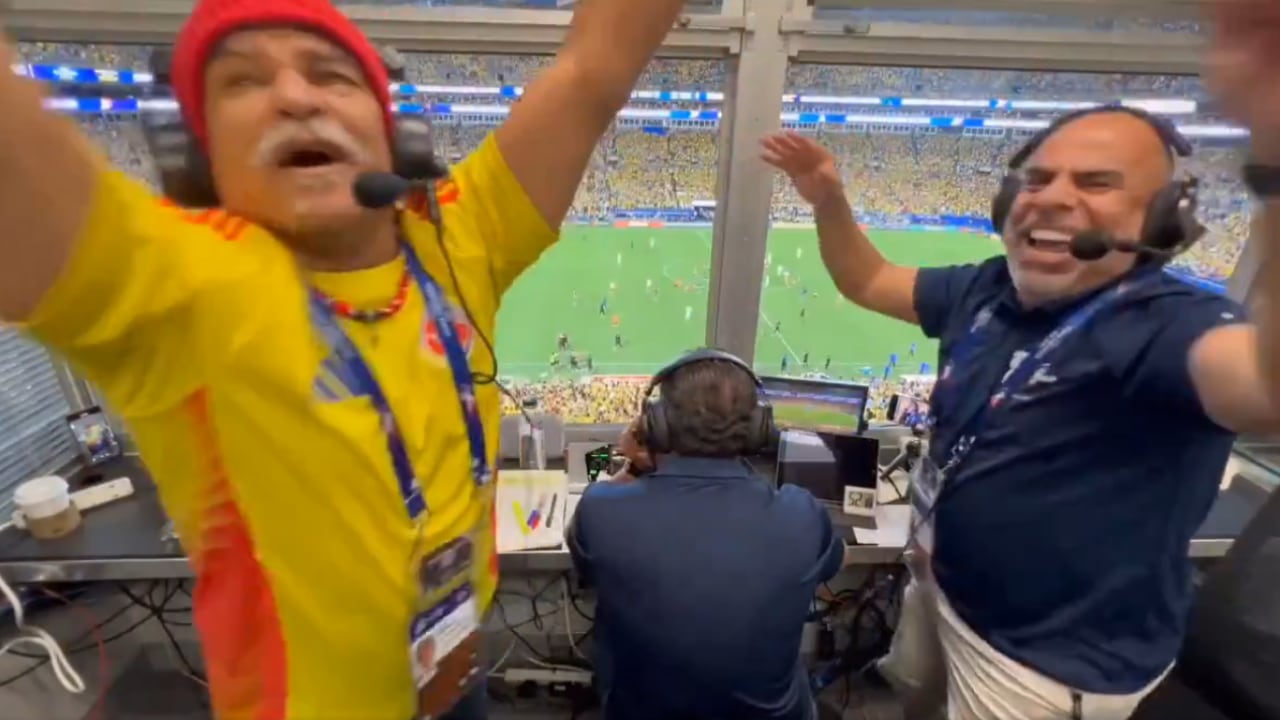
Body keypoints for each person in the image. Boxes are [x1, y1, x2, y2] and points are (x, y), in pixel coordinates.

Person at [0, 0, 692, 716]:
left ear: (397, 134)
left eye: (331, 75)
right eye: (243, 82)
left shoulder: (455, 237)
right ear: (198, 156)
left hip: (456, 675)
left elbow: (592, 70)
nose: (295, 97)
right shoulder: (177, 292)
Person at [762, 19, 1280, 714]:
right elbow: (868, 279)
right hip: (944, 593)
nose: (1053, 196)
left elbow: (1267, 387)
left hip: (1041, 669)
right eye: (1036, 178)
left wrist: (1274, 165)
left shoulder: (1170, 326)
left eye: (1096, 182)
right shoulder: (985, 288)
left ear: (1161, 220)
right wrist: (828, 197)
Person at [567, 350, 848, 720]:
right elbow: (836, 560)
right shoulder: (803, 513)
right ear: (759, 428)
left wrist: (634, 466)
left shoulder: (601, 509)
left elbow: (581, 552)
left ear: (655, 426)